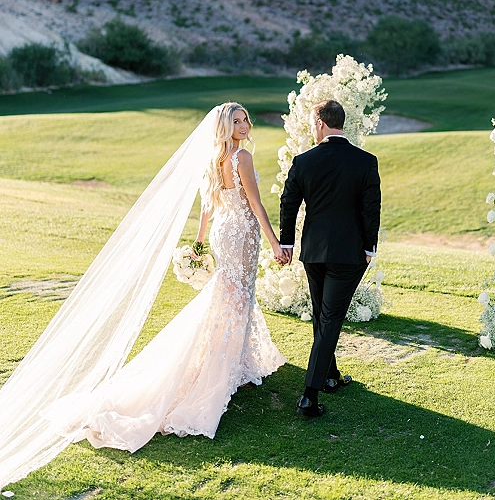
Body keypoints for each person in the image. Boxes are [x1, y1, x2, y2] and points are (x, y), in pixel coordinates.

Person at [0, 103, 286, 488]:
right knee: (234, 297)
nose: (243, 125)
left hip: (223, 232)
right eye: (235, 121)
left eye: (244, 119)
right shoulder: (242, 157)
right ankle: (225, 366)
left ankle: (236, 359)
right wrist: (274, 243)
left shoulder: (212, 159)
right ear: (224, 126)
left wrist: (201, 242)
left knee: (227, 297)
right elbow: (254, 203)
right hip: (242, 233)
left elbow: (207, 207)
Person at [279, 99, 381, 417]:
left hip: (313, 252)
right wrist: (369, 249)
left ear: (321, 124)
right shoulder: (365, 161)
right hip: (350, 255)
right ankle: (309, 395)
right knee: (330, 318)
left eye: (312, 125)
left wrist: (287, 243)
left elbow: (288, 203)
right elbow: (371, 208)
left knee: (323, 316)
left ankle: (330, 376)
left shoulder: (303, 161)